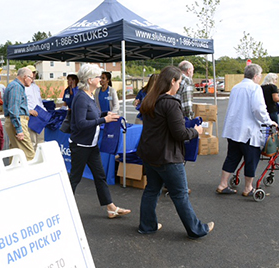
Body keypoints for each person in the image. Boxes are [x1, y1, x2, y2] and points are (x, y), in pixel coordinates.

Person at [136, 66, 213, 239]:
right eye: (178, 82)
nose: (179, 85)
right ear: (172, 81)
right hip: (168, 157)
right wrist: (197, 131)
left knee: (151, 190)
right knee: (180, 195)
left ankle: (147, 226)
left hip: (150, 155)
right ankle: (197, 230)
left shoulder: (149, 101)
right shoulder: (170, 103)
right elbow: (180, 134)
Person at [69, 63, 131, 219]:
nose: (100, 80)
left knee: (100, 176)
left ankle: (111, 208)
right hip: (81, 146)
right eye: (98, 77)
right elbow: (81, 123)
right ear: (90, 80)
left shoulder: (89, 95)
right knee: (74, 179)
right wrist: (104, 119)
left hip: (91, 145)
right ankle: (62, 208)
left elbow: (93, 114)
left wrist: (104, 113)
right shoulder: (81, 97)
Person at [216, 64, 277, 196]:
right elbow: (258, 109)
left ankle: (223, 184)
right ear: (255, 76)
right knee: (251, 158)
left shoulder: (236, 87)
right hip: (248, 131)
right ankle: (248, 188)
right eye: (260, 75)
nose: (260, 77)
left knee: (232, 157)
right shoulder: (255, 88)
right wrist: (269, 122)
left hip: (233, 129)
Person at [3, 67, 35, 161]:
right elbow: (14, 109)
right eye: (31, 78)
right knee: (29, 154)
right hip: (18, 121)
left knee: (15, 155)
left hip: (15, 121)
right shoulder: (16, 87)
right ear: (25, 77)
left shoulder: (14, 86)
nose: (32, 81)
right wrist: (19, 129)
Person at [25, 65, 47, 151]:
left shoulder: (36, 87)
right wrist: (28, 111)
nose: (34, 75)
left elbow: (39, 101)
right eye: (32, 73)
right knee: (32, 142)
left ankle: (40, 161)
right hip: (30, 117)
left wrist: (45, 112)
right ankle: (32, 161)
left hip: (39, 115)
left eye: (35, 73)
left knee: (41, 142)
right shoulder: (23, 87)